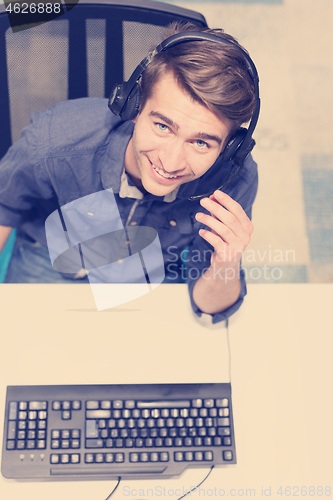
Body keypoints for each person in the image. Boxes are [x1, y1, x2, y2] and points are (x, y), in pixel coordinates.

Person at [0, 21, 258, 323]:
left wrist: (227, 262)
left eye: (201, 142)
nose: (171, 162)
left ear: (230, 147)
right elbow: (4, 205)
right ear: (133, 106)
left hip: (149, 269)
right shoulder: (55, 140)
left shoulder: (233, 179)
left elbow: (209, 307)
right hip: (51, 256)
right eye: (162, 126)